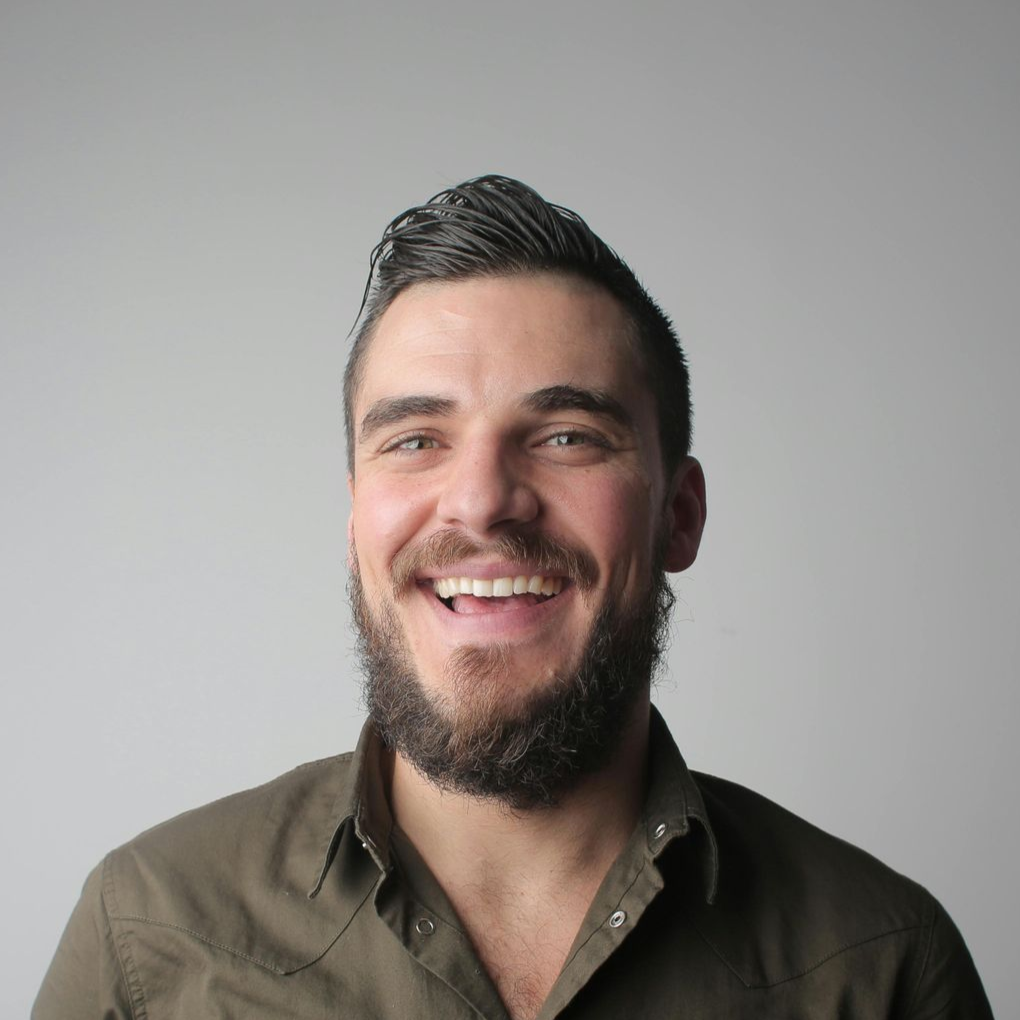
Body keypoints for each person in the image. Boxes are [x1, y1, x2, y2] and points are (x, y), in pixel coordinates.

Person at [34, 175, 993, 1019]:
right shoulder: (150, 933)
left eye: (568, 435)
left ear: (679, 516)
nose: (484, 499)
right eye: (415, 440)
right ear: (357, 516)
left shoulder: (880, 966)